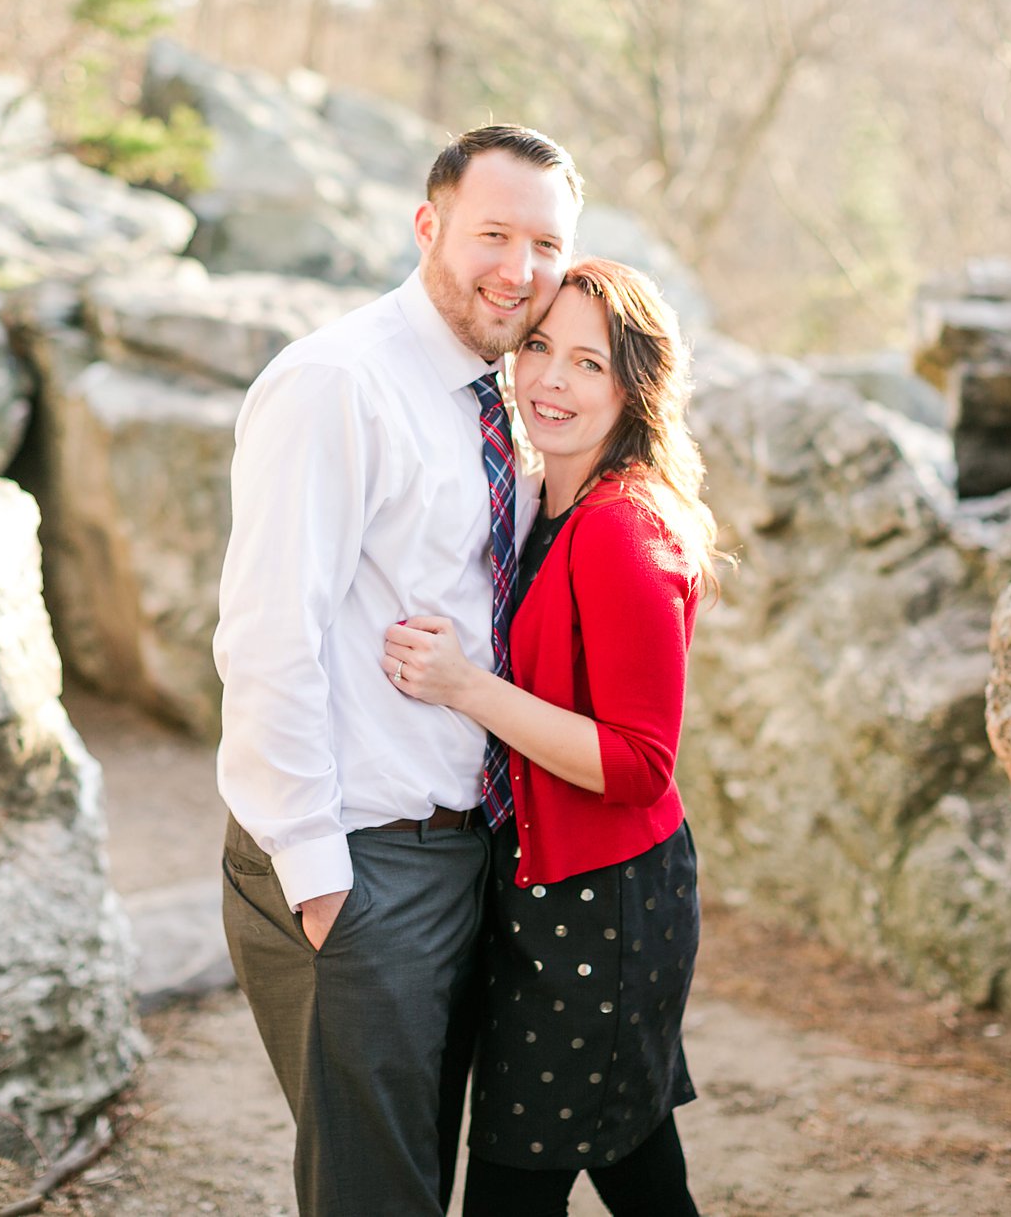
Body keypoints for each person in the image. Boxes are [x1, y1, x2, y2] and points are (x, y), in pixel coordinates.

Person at [214, 124, 583, 1217]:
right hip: (360, 862)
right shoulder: (335, 382)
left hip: (469, 857)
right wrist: (318, 881)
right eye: (492, 234)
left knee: (426, 1179)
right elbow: (267, 634)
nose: (518, 270)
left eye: (546, 245)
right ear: (428, 227)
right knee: (373, 1197)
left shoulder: (502, 388)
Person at [383, 258, 721, 1217]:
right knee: (633, 1157)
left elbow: (638, 763)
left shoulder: (622, 528)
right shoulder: (548, 505)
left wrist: (464, 687)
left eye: (589, 363)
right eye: (539, 347)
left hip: (602, 908)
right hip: (547, 893)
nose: (552, 381)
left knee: (518, 1183)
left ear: (633, 389)